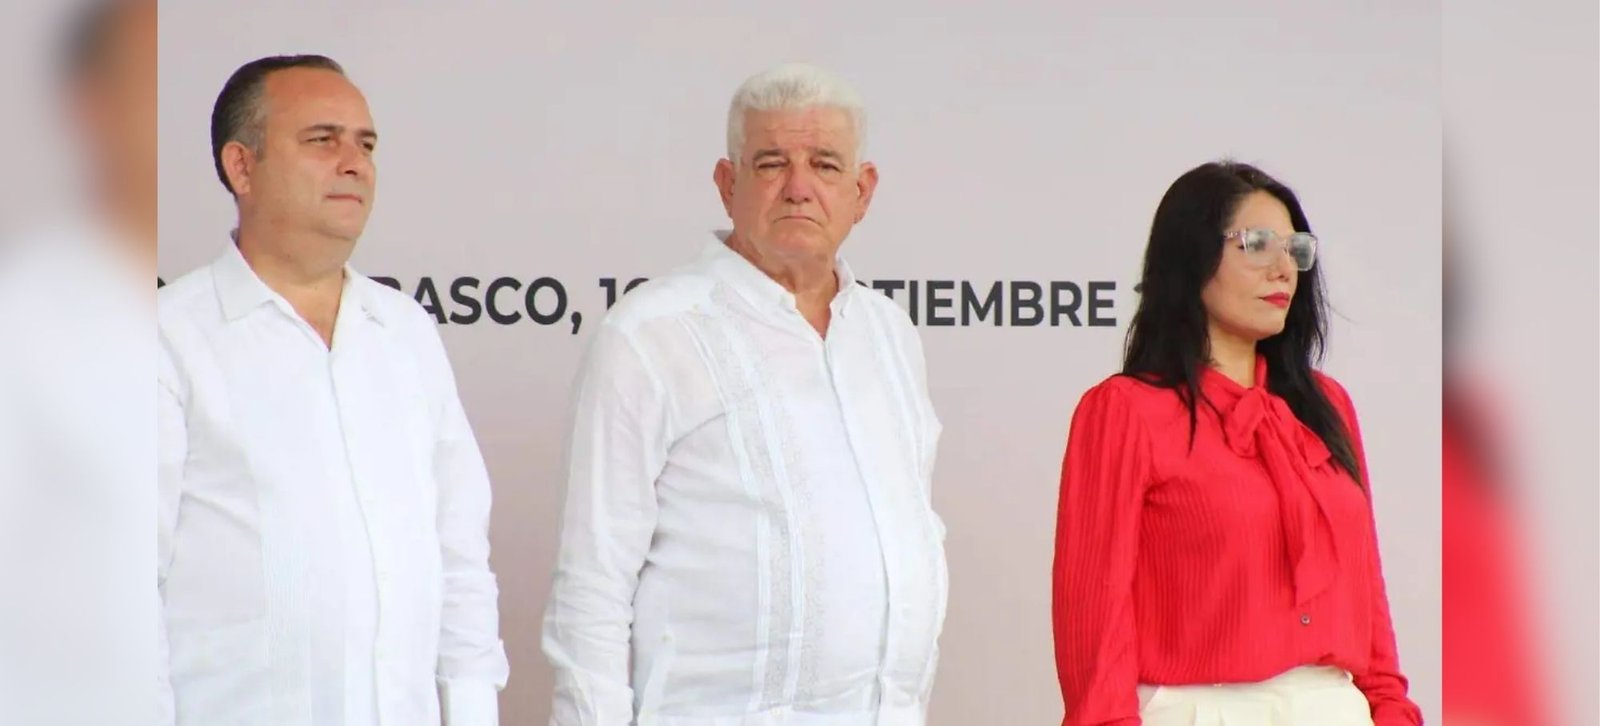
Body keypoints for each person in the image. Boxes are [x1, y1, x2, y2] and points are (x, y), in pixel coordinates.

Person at [542, 63, 947, 725]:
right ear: (728, 185)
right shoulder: (650, 334)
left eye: (824, 164)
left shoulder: (889, 334)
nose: (798, 187)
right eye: (771, 163)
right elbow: (592, 585)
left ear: (862, 191)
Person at [157, 54, 507, 725]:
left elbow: (459, 558)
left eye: (366, 145)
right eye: (323, 140)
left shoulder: (405, 332)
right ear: (241, 167)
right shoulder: (166, 339)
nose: (354, 164)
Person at [1051, 161, 1422, 725]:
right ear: (1191, 256)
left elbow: (1365, 589)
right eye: (1256, 244)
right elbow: (1093, 616)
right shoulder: (1125, 412)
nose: (1283, 269)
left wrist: (1391, 712)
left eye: (1295, 249)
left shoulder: (1326, 406)